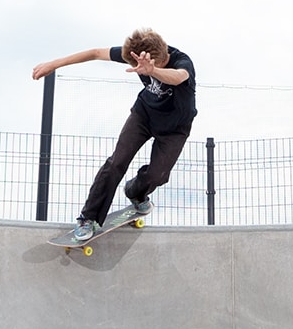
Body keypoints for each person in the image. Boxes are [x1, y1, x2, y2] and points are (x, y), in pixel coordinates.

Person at [32, 29, 196, 243]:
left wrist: (153, 70)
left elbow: (178, 78)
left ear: (162, 57)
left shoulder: (182, 61)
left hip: (175, 128)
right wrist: (55, 64)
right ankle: (88, 218)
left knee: (158, 176)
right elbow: (96, 53)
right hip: (144, 115)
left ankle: (135, 192)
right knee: (116, 162)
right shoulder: (138, 54)